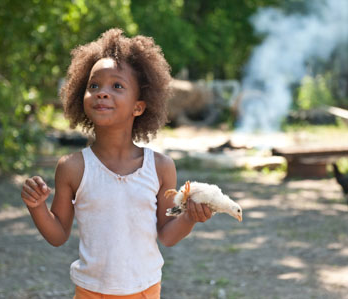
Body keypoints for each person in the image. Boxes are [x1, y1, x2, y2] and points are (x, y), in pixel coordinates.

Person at [20, 28, 213, 299]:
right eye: (94, 85)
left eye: (117, 86)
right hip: (90, 291)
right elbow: (58, 234)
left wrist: (190, 218)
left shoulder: (160, 167)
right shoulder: (72, 167)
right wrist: (36, 207)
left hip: (145, 290)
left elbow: (167, 234)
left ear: (139, 107)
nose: (102, 93)